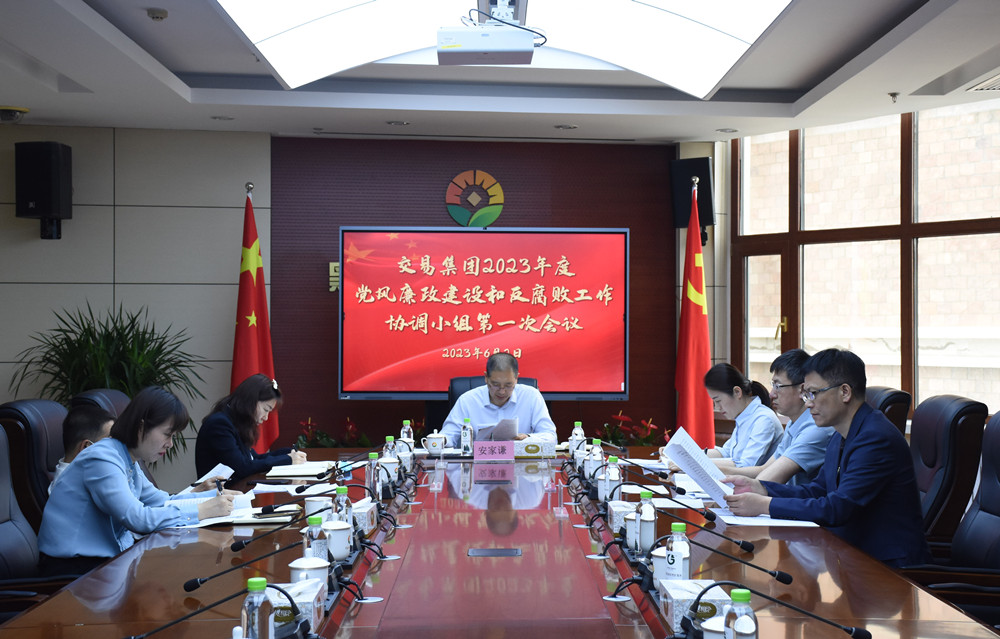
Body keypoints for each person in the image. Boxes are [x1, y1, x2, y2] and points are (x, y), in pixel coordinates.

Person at [723, 348, 930, 567]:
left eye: (813, 393)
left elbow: (837, 508)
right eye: (806, 395)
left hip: (889, 568)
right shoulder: (841, 434)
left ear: (845, 392)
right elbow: (818, 490)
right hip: (851, 556)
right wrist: (762, 488)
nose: (808, 403)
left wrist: (765, 505)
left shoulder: (875, 439)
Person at [38, 386, 236, 576]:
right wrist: (202, 510)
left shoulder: (126, 457)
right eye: (167, 434)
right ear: (141, 427)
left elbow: (161, 501)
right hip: (73, 570)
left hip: (105, 564)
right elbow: (137, 519)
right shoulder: (102, 458)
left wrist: (212, 499)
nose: (170, 444)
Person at [713, 350, 832, 485]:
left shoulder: (816, 428)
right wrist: (714, 469)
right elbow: (764, 470)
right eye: (773, 385)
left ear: (802, 389)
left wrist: (716, 472)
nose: (771, 394)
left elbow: (766, 479)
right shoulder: (794, 423)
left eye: (778, 386)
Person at [195, 374, 306, 480]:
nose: (266, 417)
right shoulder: (220, 424)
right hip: (219, 492)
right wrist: (287, 459)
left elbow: (253, 458)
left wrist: (288, 453)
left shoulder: (235, 420)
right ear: (251, 401)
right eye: (265, 409)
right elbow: (242, 468)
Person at [441, 353, 557, 448]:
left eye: (508, 385)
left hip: (521, 465)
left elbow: (551, 437)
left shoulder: (531, 396)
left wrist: (528, 438)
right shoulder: (467, 400)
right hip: (478, 465)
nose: (502, 391)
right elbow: (448, 435)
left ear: (516, 379)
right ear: (486, 378)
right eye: (496, 385)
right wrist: (440, 441)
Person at [703, 363, 783, 467]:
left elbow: (746, 465)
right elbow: (726, 452)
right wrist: (693, 455)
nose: (717, 407)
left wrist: (699, 462)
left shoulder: (764, 419)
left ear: (737, 392)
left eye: (718, 400)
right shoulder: (744, 416)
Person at [50, 404, 115, 492]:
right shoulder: (70, 488)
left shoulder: (87, 474)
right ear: (86, 447)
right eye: (110, 443)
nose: (116, 449)